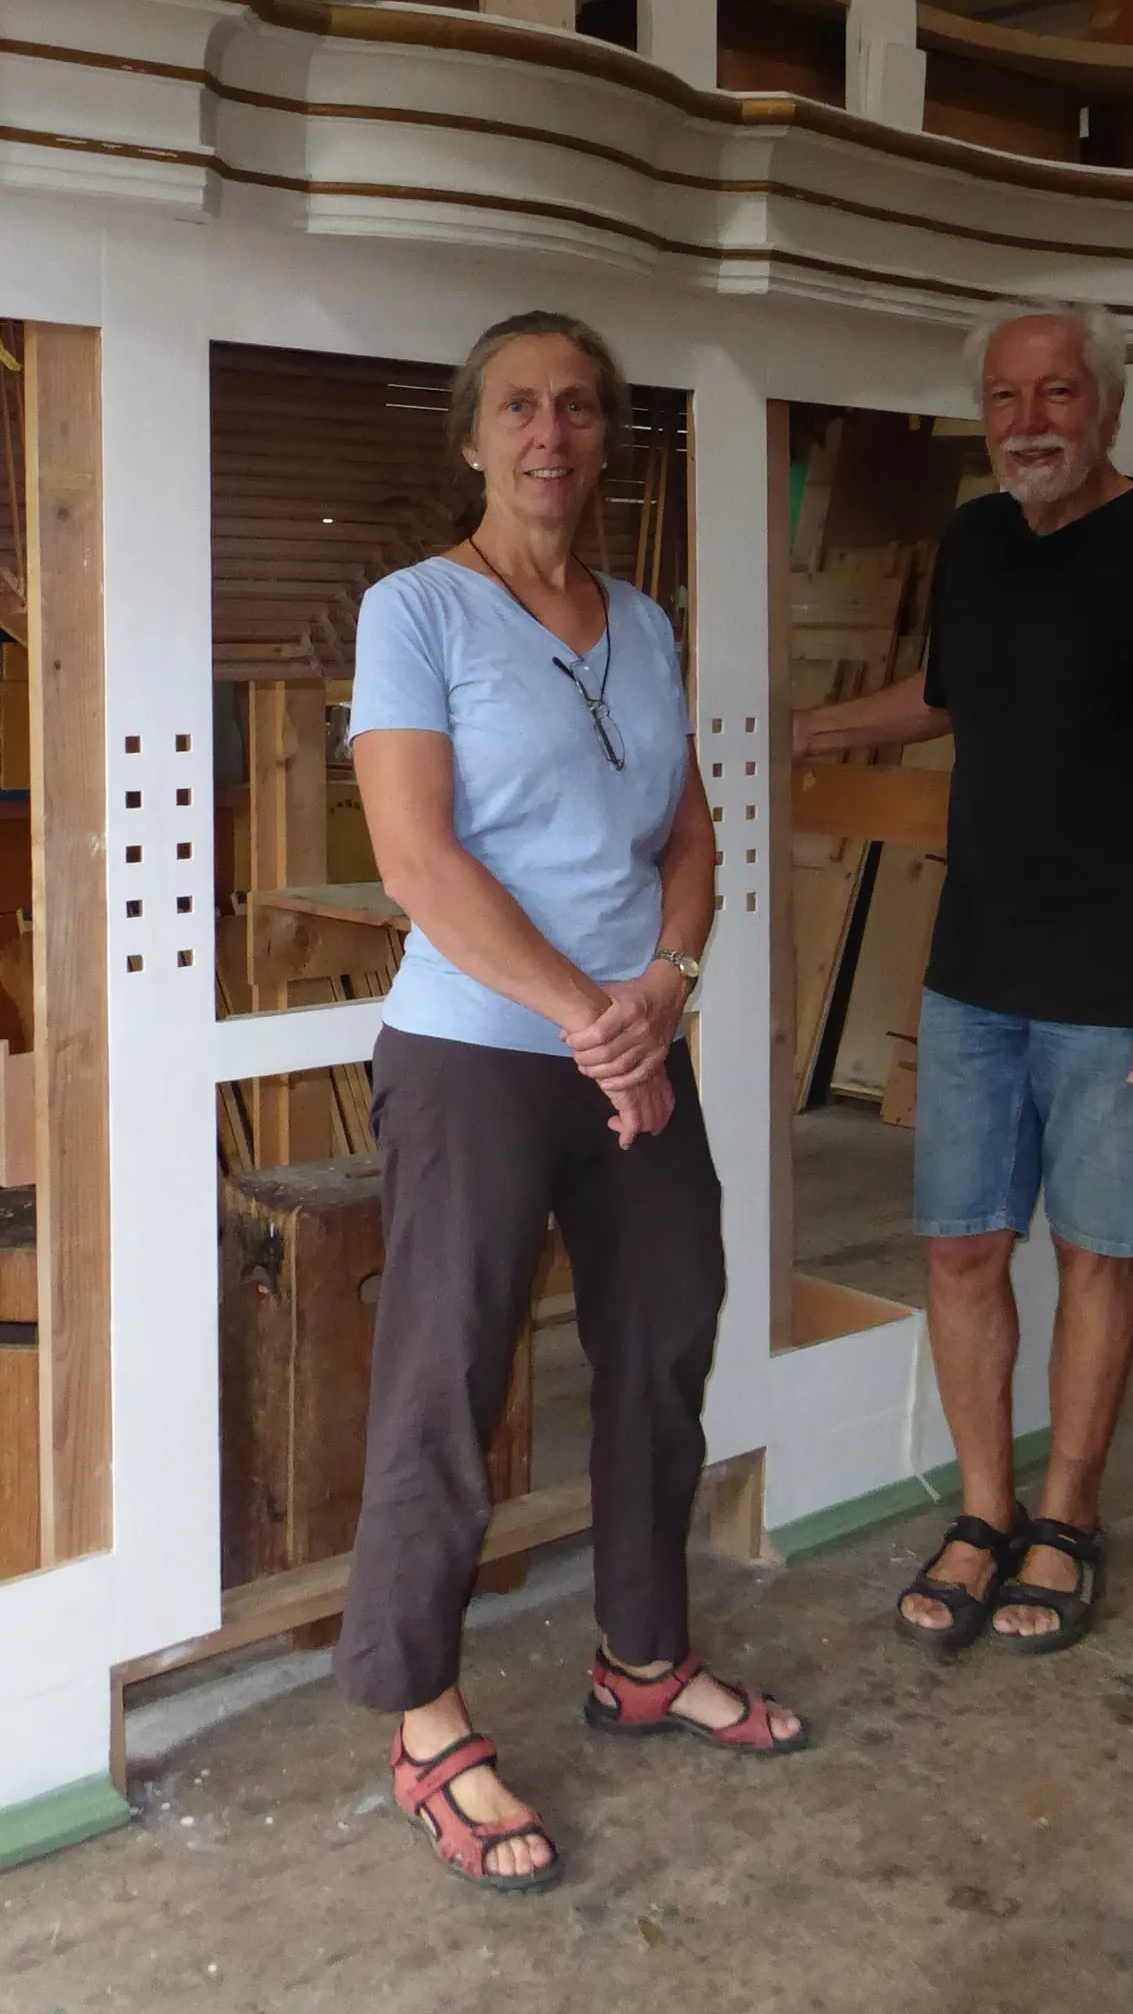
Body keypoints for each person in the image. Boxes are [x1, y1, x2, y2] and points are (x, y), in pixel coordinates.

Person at [334, 309, 805, 1899]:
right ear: (473, 437)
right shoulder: (416, 610)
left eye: (580, 408)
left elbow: (687, 835)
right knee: (447, 1374)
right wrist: (590, 1017)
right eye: (520, 406)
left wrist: (664, 981)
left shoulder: (644, 624)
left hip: (629, 1041)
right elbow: (418, 859)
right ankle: (422, 1721)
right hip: (477, 1050)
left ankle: (643, 1658)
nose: (551, 434)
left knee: (663, 1339)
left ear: (606, 437)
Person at [794, 303, 1133, 1658]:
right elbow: (951, 693)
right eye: (1006, 397)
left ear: (1106, 406)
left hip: (1118, 987)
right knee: (961, 1247)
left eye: (1056, 393)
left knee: (1091, 1254)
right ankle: (982, 1509)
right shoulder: (975, 541)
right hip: (974, 975)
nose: (1028, 421)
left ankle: (1066, 1517)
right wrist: (803, 726)